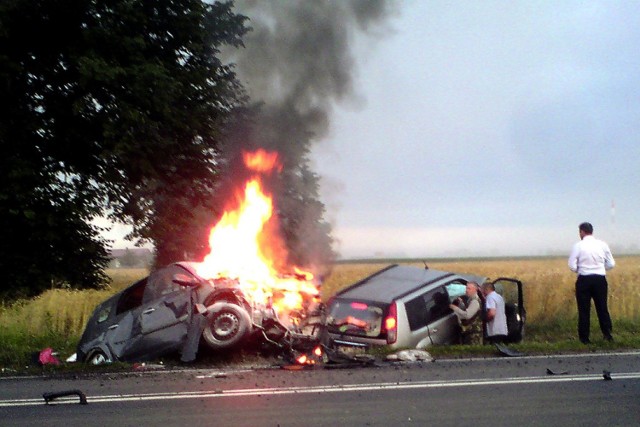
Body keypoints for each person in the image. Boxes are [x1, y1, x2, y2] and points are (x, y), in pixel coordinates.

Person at [568, 222, 615, 344]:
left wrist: (582, 269)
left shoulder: (578, 246)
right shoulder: (602, 245)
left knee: (584, 310)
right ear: (591, 231)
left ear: (582, 232)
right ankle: (607, 334)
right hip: (600, 279)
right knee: (602, 307)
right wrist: (600, 268)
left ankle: (584, 338)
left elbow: (572, 265)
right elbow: (611, 263)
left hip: (584, 279)